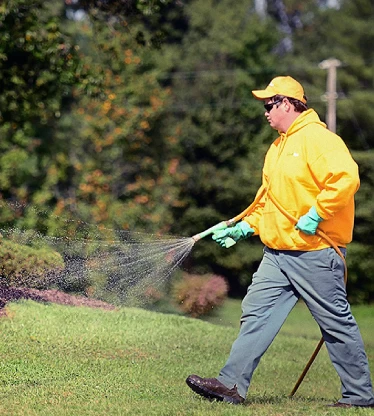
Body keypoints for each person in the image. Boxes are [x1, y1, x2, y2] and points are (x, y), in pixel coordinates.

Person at [185, 76, 374, 408]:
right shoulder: (277, 147)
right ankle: (231, 385)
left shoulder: (319, 139)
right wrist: (245, 228)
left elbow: (346, 178)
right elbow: (271, 205)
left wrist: (317, 213)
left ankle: (359, 396)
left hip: (315, 252)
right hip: (277, 255)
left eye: (269, 105)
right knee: (255, 314)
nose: (265, 112)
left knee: (335, 325)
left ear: (287, 103)